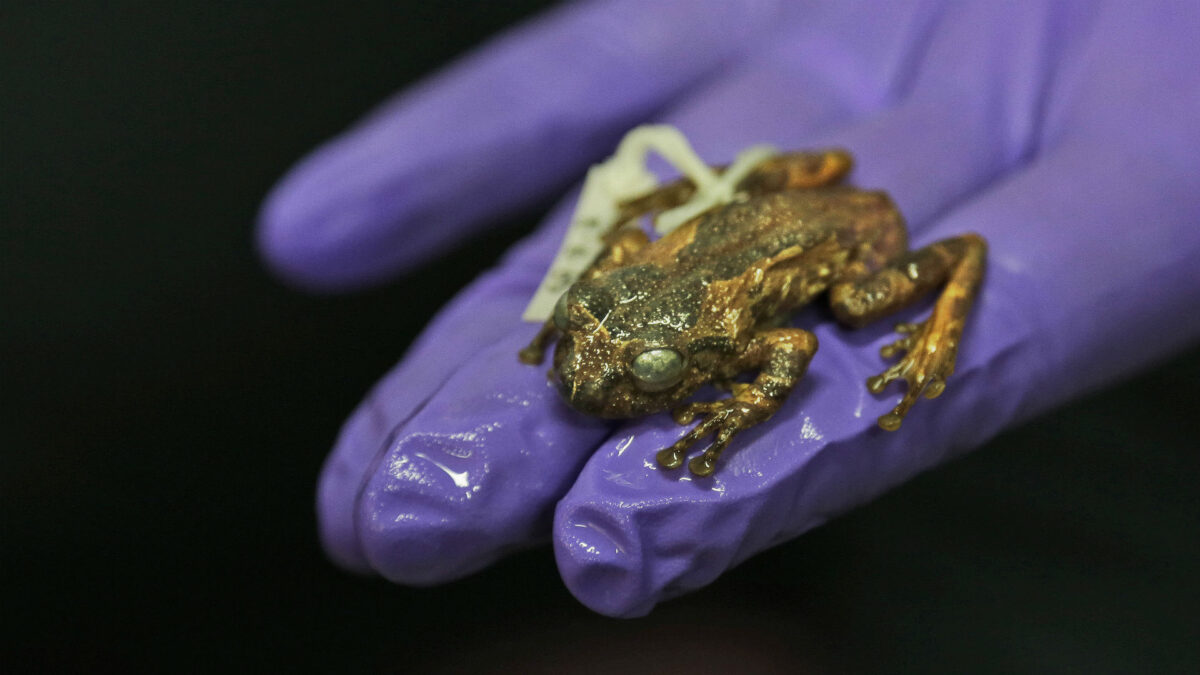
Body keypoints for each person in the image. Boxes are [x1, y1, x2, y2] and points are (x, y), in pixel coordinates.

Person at [257, 0, 1200, 617]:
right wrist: (586, 305)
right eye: (594, 333)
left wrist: (746, 403)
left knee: (868, 306)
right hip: (775, 209)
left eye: (650, 371)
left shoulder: (733, 336)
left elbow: (790, 344)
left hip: (850, 235)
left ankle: (946, 302)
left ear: (698, 355)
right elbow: (625, 250)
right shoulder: (633, 284)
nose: (594, 374)